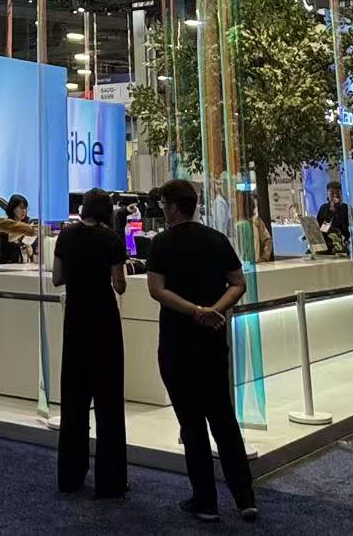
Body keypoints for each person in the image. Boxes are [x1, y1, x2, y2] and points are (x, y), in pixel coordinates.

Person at [146, 178, 257, 522]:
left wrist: (195, 311)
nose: (163, 210)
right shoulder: (216, 239)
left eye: (163, 204)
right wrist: (214, 310)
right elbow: (238, 282)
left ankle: (205, 500)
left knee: (191, 423)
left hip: (177, 343)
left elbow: (157, 290)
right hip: (212, 342)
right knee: (223, 419)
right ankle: (245, 498)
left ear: (173, 207)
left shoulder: (161, 244)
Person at [53, 187, 129, 499]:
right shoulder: (111, 238)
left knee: (73, 401)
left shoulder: (66, 235)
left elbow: (57, 277)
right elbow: (119, 285)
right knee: (109, 403)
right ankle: (110, 481)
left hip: (76, 321)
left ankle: (70, 476)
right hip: (104, 322)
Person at [316, 181, 353, 257]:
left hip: (341, 246)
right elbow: (321, 228)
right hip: (325, 246)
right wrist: (331, 212)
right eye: (332, 193)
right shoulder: (323, 208)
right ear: (328, 194)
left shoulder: (346, 208)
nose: (335, 196)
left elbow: (346, 226)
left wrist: (336, 209)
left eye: (338, 193)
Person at [0, 194, 35, 264]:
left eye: (25, 208)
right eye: (21, 207)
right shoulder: (6, 224)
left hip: (24, 265)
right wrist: (25, 230)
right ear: (13, 208)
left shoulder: (27, 224)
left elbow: (31, 254)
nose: (24, 211)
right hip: (8, 265)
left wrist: (30, 251)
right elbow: (9, 238)